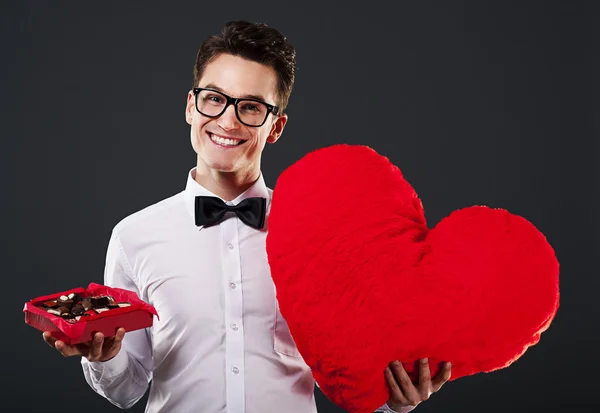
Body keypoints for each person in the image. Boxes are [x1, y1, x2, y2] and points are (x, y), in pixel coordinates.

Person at [42, 20, 452, 413]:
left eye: (251, 107)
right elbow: (125, 390)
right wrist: (105, 357)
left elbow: (351, 364)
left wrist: (393, 402)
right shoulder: (134, 237)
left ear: (276, 127)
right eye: (215, 98)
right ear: (191, 106)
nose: (227, 120)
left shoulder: (319, 233)